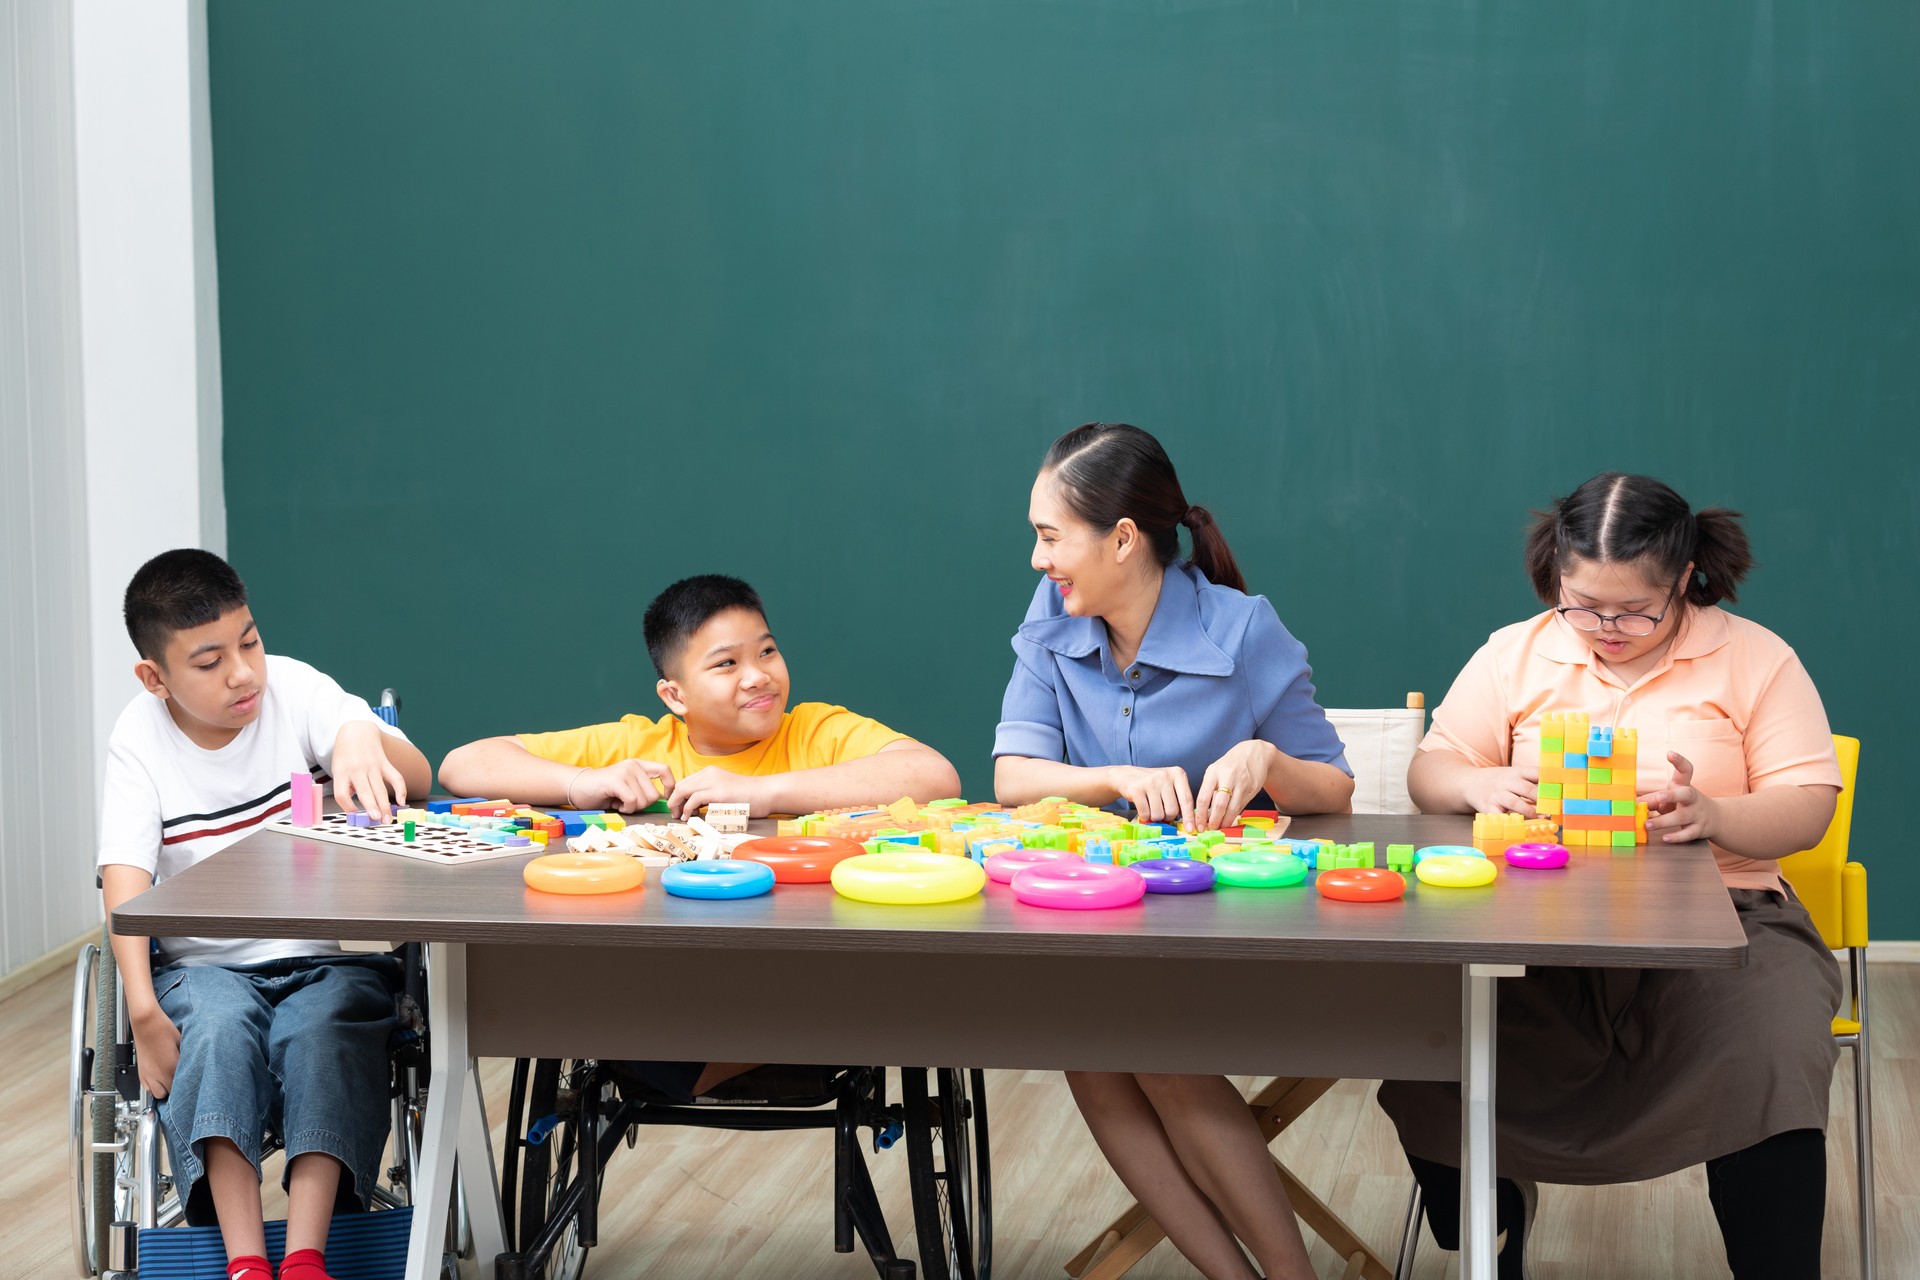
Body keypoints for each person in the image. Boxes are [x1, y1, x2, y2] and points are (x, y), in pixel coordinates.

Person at [1378, 471, 1843, 1280]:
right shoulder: (1516, 652)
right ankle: (1491, 1215)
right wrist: (1476, 784)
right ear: (1556, 576)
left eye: (1635, 608)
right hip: (1537, 917)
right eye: (1583, 604)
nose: (1606, 628)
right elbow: (1432, 768)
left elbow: (1809, 804)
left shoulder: (1755, 656)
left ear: (1685, 580)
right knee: (1429, 1034)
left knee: (1768, 1044)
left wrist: (1715, 815)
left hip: (1729, 920)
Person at [994, 423, 1353, 1280]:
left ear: (1122, 538)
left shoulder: (1243, 629)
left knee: (1149, 1045)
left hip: (1229, 927)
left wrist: (1267, 762)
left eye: (1050, 537)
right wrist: (1114, 775)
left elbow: (1334, 788)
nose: (1038, 560)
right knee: (1089, 1053)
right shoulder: (1054, 619)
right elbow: (1012, 776)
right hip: (1105, 920)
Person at [439, 572, 962, 1099]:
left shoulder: (816, 731)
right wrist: (582, 782)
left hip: (803, 977)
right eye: (726, 663)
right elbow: (463, 764)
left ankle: (753, 1050)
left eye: (768, 652)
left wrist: (763, 792)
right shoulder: (640, 744)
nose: (758, 677)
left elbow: (933, 774)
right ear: (675, 695)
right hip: (672, 986)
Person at [98, 549, 433, 1280]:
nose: (244, 672)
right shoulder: (139, 737)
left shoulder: (298, 690)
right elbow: (124, 877)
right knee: (214, 1034)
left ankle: (308, 1254)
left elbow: (420, 776)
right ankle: (247, 1260)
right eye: (210, 661)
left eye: (248, 641)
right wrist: (144, 1009)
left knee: (327, 1029)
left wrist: (356, 735)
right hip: (200, 967)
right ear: (155, 678)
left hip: (320, 960)